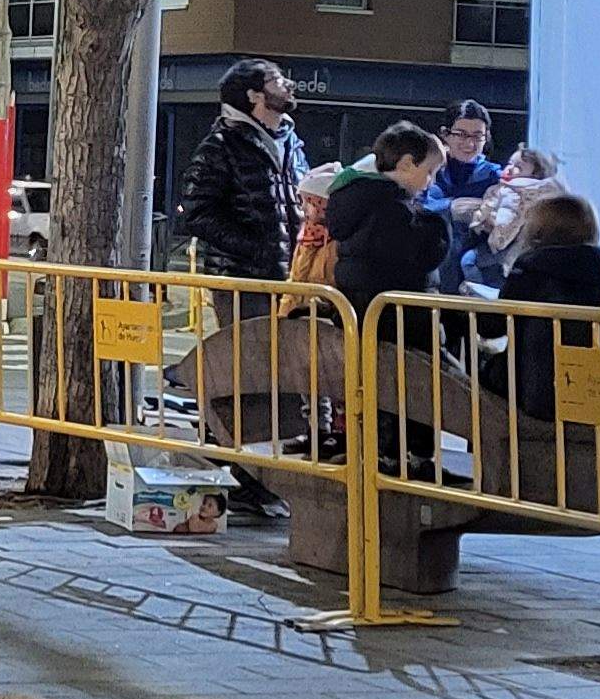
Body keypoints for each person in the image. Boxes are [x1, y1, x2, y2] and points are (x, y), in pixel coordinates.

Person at [327, 122, 456, 474]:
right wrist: (440, 222)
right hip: (404, 318)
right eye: (429, 172)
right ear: (406, 165)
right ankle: (411, 458)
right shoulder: (394, 210)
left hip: (366, 313)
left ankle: (380, 454)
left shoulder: (354, 199)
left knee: (379, 390)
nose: (431, 181)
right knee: (417, 390)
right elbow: (424, 254)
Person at [482, 192, 600, 428]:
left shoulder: (531, 269)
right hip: (597, 397)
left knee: (485, 371)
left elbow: (492, 326)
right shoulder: (596, 272)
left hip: (539, 393)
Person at [175, 59, 310, 294]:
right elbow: (197, 213)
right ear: (254, 95)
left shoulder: (291, 144)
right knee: (248, 333)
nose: (289, 86)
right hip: (240, 281)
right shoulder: (220, 146)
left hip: (290, 278)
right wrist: (257, 249)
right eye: (277, 80)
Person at [427, 100, 504, 293]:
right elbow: (413, 205)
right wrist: (450, 207)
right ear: (445, 134)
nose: (469, 144)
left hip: (476, 277)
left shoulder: (496, 176)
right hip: (431, 269)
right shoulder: (429, 169)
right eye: (461, 134)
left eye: (477, 136)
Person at [472, 144, 569, 290]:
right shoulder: (507, 187)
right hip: (505, 245)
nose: (510, 168)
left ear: (534, 176)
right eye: (510, 163)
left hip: (507, 246)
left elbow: (507, 220)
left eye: (519, 167)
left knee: (469, 261)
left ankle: (473, 294)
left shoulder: (516, 191)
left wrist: (494, 235)